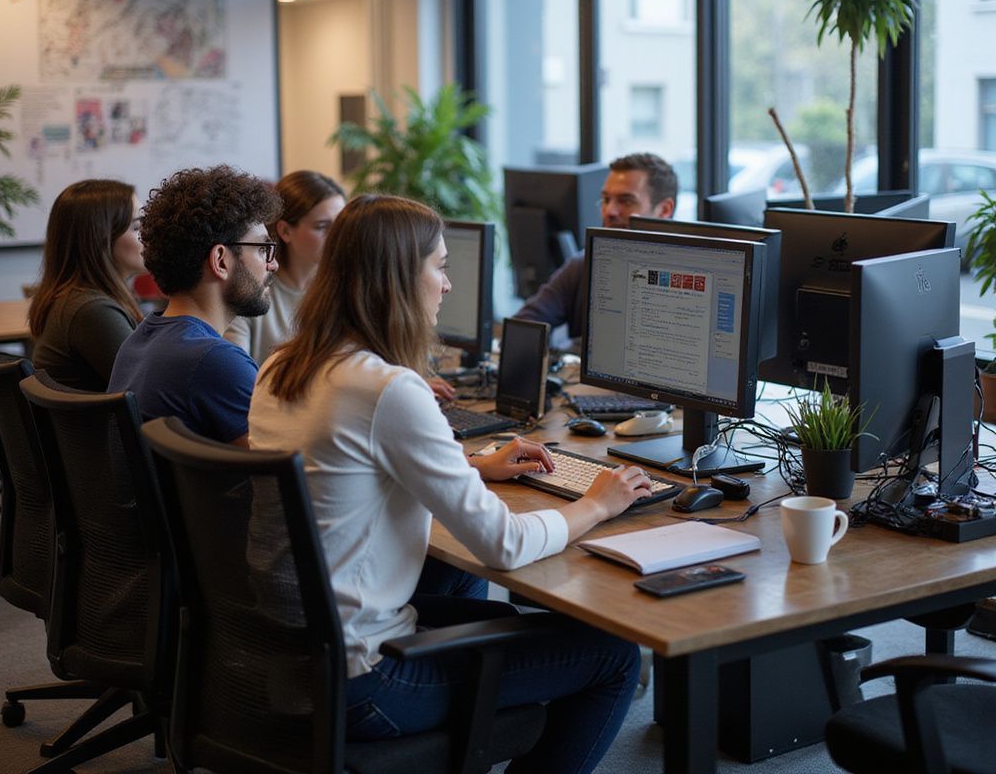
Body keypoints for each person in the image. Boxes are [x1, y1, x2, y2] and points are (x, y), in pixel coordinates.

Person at [248, 194, 649, 772]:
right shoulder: (386, 389)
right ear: (398, 280)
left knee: (504, 620)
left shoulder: (281, 366)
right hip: (368, 681)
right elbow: (503, 546)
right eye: (439, 267)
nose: (447, 285)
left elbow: (350, 468)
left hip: (294, 659)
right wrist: (596, 504)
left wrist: (472, 468)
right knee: (612, 655)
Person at [109, 165, 280, 447]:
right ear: (221, 261)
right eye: (263, 249)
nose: (273, 263)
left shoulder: (138, 342)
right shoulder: (217, 362)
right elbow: (281, 479)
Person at [514, 152, 678, 343]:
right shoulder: (582, 265)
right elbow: (523, 327)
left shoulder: (686, 279)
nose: (610, 211)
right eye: (606, 200)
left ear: (664, 209)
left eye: (626, 201)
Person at [29, 179, 145, 391]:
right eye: (136, 226)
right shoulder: (92, 311)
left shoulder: (79, 299)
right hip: (111, 425)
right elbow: (151, 390)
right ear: (101, 238)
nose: (147, 235)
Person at [226, 170, 345, 366]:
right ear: (285, 231)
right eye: (323, 227)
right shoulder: (252, 291)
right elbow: (234, 374)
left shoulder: (347, 288)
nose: (337, 236)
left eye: (341, 226)